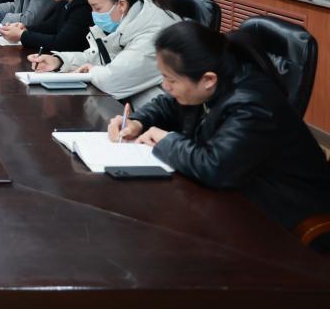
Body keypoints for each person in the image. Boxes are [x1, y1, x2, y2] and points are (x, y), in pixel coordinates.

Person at [109, 21, 330, 248]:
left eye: (171, 80)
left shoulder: (252, 104)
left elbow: (214, 167)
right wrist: (138, 121)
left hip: (283, 209)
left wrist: (168, 141)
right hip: (238, 191)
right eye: (164, 77)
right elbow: (169, 104)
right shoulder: (212, 77)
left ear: (208, 80)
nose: (165, 86)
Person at [28, 0, 180, 107]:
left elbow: (114, 80)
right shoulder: (124, 21)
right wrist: (60, 61)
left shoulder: (155, 32)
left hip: (159, 115)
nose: (93, 14)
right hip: (128, 106)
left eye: (97, 8)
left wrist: (92, 71)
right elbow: (96, 57)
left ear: (121, 4)